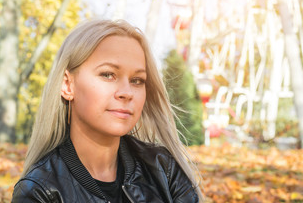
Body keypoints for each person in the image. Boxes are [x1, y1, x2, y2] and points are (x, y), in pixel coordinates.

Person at [12, 19, 203, 202]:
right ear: (68, 85)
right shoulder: (40, 191)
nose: (127, 93)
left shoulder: (163, 168)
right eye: (108, 75)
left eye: (137, 80)